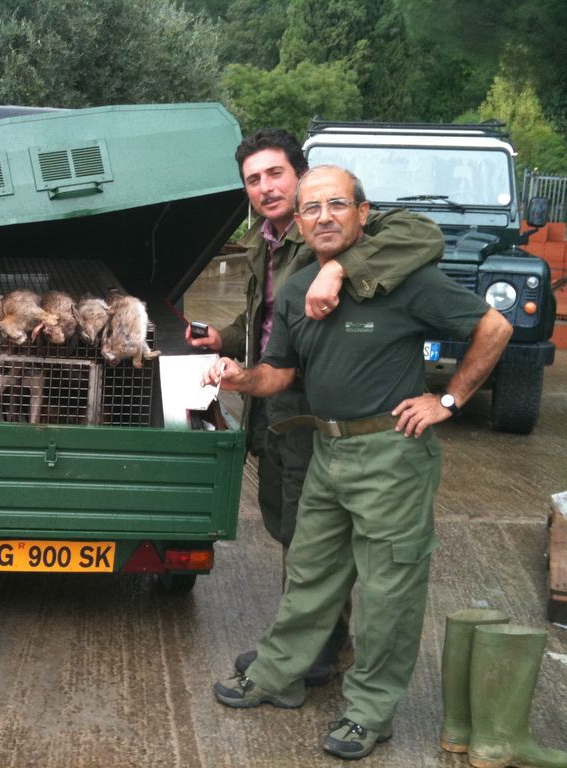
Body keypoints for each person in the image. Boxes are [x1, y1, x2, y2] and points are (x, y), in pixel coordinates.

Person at [203, 165, 512, 760]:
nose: (323, 217)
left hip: (391, 456)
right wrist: (240, 377)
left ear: (363, 213)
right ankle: (279, 676)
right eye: (312, 209)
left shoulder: (408, 282)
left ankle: (370, 711)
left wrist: (448, 400)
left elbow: (493, 327)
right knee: (309, 575)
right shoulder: (296, 289)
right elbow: (281, 372)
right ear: (298, 223)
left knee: (389, 593)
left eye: (337, 205)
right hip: (327, 450)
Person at [186, 128, 444, 685]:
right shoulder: (266, 241)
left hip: (316, 400)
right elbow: (265, 319)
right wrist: (224, 339)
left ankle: (318, 650)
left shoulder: (329, 229)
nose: (265, 187)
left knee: (311, 536)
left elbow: (422, 233)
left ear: (299, 175)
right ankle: (305, 638)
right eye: (253, 179)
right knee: (285, 520)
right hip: (271, 397)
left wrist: (338, 267)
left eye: (275, 173)